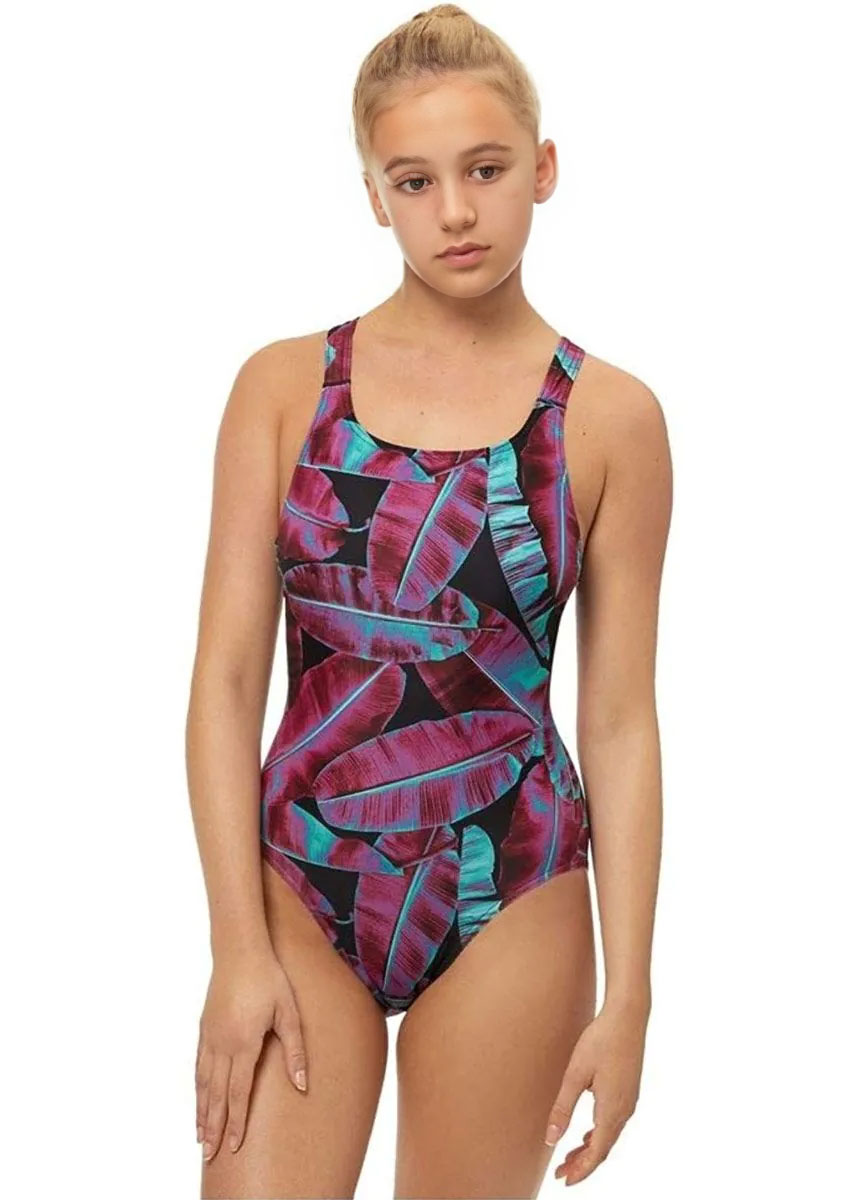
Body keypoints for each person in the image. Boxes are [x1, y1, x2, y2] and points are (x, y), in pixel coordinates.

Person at [185, 5, 672, 1197]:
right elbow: (225, 684)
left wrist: (630, 996)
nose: (453, 210)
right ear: (374, 196)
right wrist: (234, 949)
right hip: (301, 876)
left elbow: (618, 718)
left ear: (541, 169)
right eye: (414, 180)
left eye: (485, 169)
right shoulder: (283, 389)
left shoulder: (608, 419)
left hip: (513, 880)